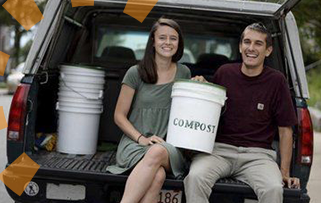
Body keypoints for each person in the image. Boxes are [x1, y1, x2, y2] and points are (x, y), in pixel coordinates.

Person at [186, 23, 300, 203]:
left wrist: (284, 172)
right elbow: (207, 107)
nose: (251, 48)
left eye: (258, 44)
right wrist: (199, 84)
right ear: (240, 47)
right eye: (247, 42)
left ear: (268, 50)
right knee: (195, 178)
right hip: (219, 151)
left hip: (258, 156)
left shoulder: (277, 81)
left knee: (274, 188)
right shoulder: (224, 73)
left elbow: (285, 130)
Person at [106, 18, 191, 203]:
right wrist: (141, 139)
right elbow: (119, 116)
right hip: (135, 143)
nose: (167, 43)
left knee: (157, 152)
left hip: (168, 147)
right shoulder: (135, 72)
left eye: (173, 38)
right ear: (153, 41)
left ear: (179, 43)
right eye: (162, 37)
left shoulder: (184, 73)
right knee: (158, 176)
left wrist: (201, 83)